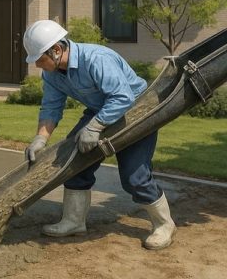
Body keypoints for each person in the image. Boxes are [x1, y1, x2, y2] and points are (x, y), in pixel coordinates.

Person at [22, 20, 176, 250]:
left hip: (136, 111)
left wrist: (94, 127)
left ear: (56, 50)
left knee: (135, 178)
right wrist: (40, 138)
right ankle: (73, 221)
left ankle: (164, 225)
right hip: (100, 111)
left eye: (39, 59)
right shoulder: (52, 74)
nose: (37, 65)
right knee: (72, 163)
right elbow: (51, 107)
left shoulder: (96, 59)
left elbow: (123, 97)